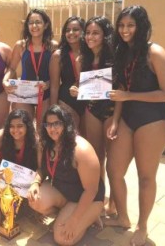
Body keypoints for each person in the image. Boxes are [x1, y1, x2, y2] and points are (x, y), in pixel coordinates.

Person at [106, 6, 165, 246]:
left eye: (131, 25)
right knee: (114, 170)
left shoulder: (154, 52)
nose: (125, 30)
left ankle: (142, 225)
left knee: (145, 177)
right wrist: (115, 121)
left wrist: (129, 96)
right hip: (127, 116)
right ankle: (123, 217)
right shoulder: (122, 52)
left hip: (153, 119)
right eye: (122, 25)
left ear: (141, 26)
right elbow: (122, 93)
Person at [27, 105, 105, 245]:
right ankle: (67, 215)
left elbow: (91, 190)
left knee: (62, 239)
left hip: (88, 198)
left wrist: (74, 220)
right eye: (48, 124)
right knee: (35, 200)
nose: (52, 128)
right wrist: (35, 182)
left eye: (57, 123)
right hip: (65, 193)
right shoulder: (47, 144)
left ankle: (89, 216)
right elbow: (42, 170)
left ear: (66, 124)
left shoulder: (81, 149)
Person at [80, 16, 117, 214]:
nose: (90, 37)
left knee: (113, 162)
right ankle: (100, 199)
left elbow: (119, 88)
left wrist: (117, 120)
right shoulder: (84, 58)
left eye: (95, 33)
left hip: (111, 111)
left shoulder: (114, 56)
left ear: (105, 35)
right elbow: (86, 88)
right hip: (92, 110)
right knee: (97, 159)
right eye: (88, 33)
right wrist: (76, 90)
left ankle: (114, 204)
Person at [3, 9, 58, 124]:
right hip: (24, 93)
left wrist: (48, 84)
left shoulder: (53, 46)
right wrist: (5, 80)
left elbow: (57, 75)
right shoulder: (21, 45)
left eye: (38, 22)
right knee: (24, 128)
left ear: (46, 24)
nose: (34, 26)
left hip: (45, 93)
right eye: (31, 22)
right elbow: (12, 68)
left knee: (42, 130)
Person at [49, 16, 86, 132]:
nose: (71, 33)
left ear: (83, 31)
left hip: (89, 101)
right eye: (67, 30)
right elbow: (54, 86)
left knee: (87, 140)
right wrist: (53, 110)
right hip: (67, 101)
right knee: (70, 139)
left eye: (75, 29)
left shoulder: (90, 52)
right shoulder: (58, 55)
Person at [0, 109, 38, 182]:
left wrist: (36, 182)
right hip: (4, 177)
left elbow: (40, 168)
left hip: (27, 180)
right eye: (12, 126)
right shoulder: (0, 137)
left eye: (20, 126)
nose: (15, 130)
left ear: (28, 126)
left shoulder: (35, 141)